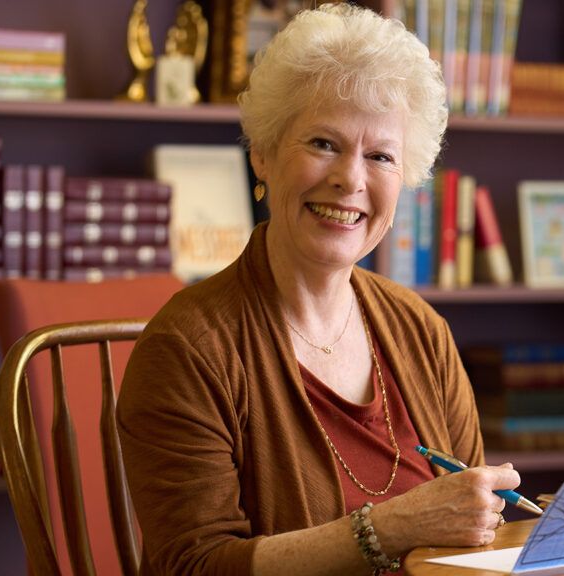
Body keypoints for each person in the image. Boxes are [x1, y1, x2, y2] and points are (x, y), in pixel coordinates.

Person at [116, 4, 522, 574]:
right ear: (262, 153)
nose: (350, 179)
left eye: (380, 156)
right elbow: (194, 565)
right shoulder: (188, 348)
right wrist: (392, 528)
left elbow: (476, 532)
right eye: (323, 144)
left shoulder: (421, 330)